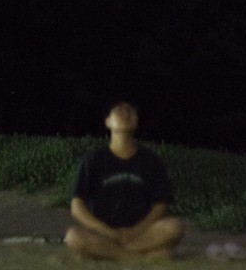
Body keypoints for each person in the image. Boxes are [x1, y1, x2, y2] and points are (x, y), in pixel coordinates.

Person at [64, 101, 184, 260]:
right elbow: (77, 206)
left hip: (141, 233)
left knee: (175, 227)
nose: (125, 113)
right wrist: (108, 232)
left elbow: (161, 204)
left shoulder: (150, 160)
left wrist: (135, 231)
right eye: (118, 110)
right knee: (73, 236)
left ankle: (108, 253)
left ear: (136, 122)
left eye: (129, 111)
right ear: (107, 122)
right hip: (103, 233)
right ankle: (138, 257)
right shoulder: (93, 160)